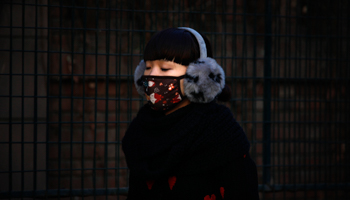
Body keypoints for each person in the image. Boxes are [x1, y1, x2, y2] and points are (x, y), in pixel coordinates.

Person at [122, 27, 259, 200]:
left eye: (165, 69)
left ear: (200, 76)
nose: (151, 75)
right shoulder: (141, 131)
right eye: (148, 67)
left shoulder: (221, 133)